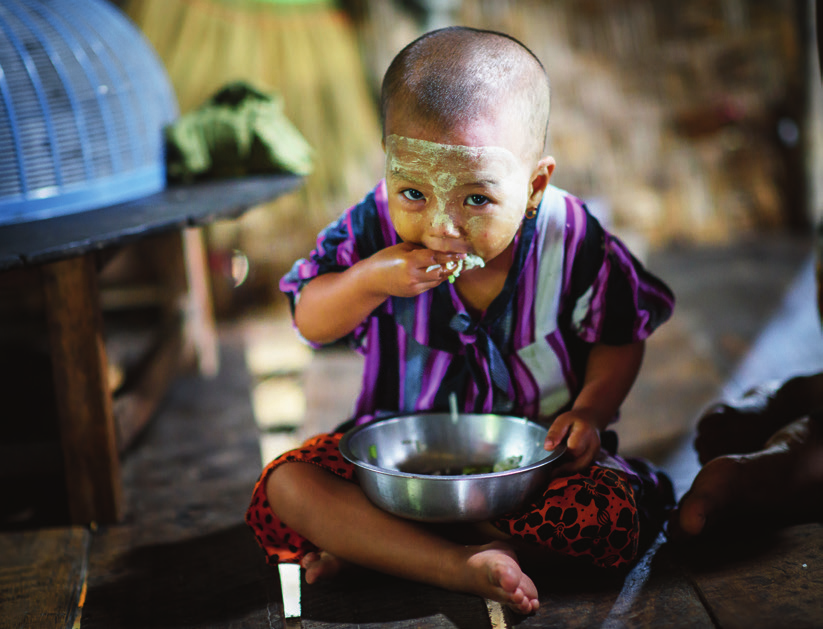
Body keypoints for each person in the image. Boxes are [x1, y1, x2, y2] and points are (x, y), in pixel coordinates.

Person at [246, 26, 675, 614]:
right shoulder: (370, 227)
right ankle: (458, 563)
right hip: (397, 472)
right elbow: (311, 320)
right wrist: (369, 278)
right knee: (287, 486)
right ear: (390, 165)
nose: (440, 226)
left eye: (476, 199)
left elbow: (621, 336)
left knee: (609, 517)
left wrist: (592, 411)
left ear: (533, 186)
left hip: (535, 474)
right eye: (413, 191)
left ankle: (391, 553)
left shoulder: (571, 241)